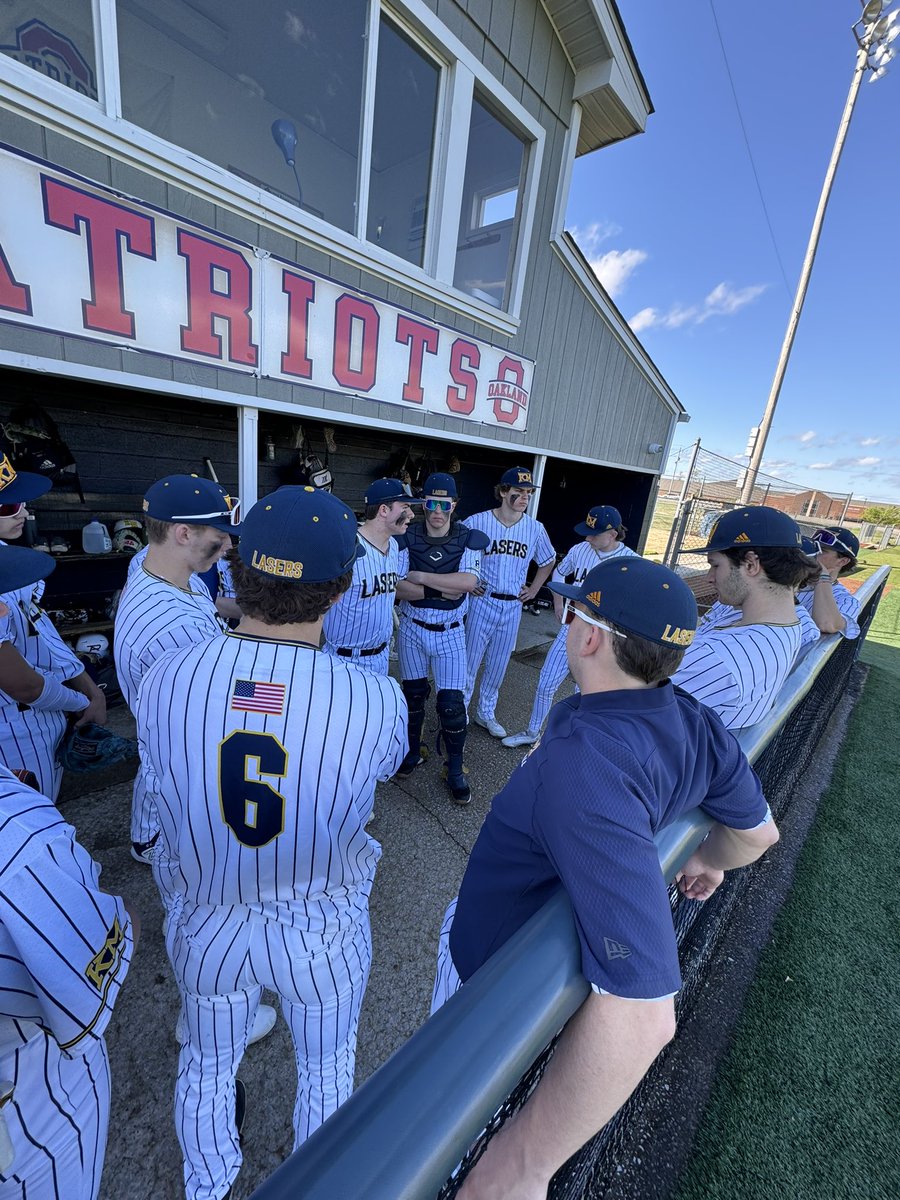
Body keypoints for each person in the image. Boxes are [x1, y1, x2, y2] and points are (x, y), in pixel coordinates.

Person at [431, 557, 779, 1199]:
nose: (566, 622)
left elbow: (646, 1018)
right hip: (537, 931)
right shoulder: (692, 718)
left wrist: (522, 1167)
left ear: (590, 637)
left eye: (574, 612)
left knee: (446, 1139)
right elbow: (758, 835)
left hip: (498, 979)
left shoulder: (581, 764)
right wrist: (708, 858)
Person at [136, 486, 407, 1200]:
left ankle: (207, 1186)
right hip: (321, 924)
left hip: (209, 920)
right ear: (342, 587)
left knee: (206, 1063)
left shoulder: (166, 677)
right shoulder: (377, 698)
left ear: (234, 569)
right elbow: (377, 769)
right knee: (324, 1068)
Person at [0, 546, 136, 1197]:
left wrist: (87, 689)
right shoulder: (20, 842)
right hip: (33, 1133)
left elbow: (45, 645)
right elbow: (93, 975)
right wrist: (73, 699)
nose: (19, 510)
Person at [0, 454, 106, 799]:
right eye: (10, 506)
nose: (26, 513)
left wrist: (92, 689)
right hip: (13, 733)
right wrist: (77, 701)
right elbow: (20, 684)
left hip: (41, 719)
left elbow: (43, 635)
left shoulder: (8, 558)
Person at [503, 504, 638, 748]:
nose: (587, 537)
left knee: (584, 691)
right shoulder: (581, 549)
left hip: (602, 636)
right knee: (546, 682)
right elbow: (559, 573)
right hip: (572, 627)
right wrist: (558, 602)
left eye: (594, 533)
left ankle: (575, 741)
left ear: (613, 535)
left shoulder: (631, 561)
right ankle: (533, 732)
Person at [673, 506, 813, 729]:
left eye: (715, 565)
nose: (709, 578)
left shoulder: (720, 656)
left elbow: (619, 700)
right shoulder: (789, 623)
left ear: (750, 564)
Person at [395, 473, 487, 805]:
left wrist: (420, 577)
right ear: (423, 505)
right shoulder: (408, 536)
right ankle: (411, 749)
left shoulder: (467, 538)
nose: (437, 511)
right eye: (431, 503)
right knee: (413, 695)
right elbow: (398, 585)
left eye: (443, 504)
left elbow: (468, 581)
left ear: (453, 505)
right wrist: (441, 587)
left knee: (451, 705)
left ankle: (455, 767)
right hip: (413, 625)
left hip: (450, 630)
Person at [462, 467, 556, 738]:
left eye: (528, 492)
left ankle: (486, 713)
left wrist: (535, 588)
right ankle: (461, 710)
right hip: (482, 600)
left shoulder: (534, 528)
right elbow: (456, 550)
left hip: (512, 605)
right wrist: (468, 581)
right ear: (503, 492)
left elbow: (548, 560)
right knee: (470, 660)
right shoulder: (477, 521)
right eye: (518, 492)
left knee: (498, 662)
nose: (525, 497)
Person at [322, 478, 420, 675]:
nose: (411, 514)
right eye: (405, 507)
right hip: (343, 659)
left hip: (381, 657)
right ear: (383, 510)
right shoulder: (347, 548)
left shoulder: (394, 546)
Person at [797, 526, 861, 639]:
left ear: (842, 561)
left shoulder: (846, 600)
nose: (814, 552)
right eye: (813, 546)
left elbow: (827, 624)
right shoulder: (788, 579)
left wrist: (822, 575)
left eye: (821, 550)